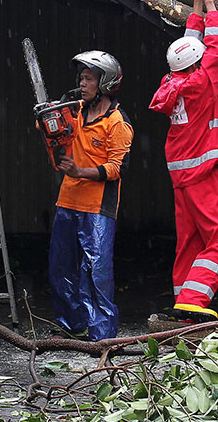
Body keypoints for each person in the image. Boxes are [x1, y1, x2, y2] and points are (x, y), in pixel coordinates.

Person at [148, 0, 218, 321]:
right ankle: (193, 301)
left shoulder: (172, 81)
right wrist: (213, 6)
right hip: (202, 173)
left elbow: (188, 49)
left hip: (180, 173)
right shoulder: (202, 82)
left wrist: (196, 8)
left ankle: (180, 309)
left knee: (190, 240)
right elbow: (216, 50)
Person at [48, 50, 134, 341]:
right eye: (81, 78)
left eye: (88, 79)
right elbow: (56, 134)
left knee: (95, 272)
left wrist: (79, 171)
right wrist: (48, 118)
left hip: (97, 207)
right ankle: (72, 326)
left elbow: (116, 168)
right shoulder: (77, 110)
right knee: (61, 267)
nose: (82, 84)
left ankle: (102, 335)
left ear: (105, 83)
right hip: (67, 201)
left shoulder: (117, 122)